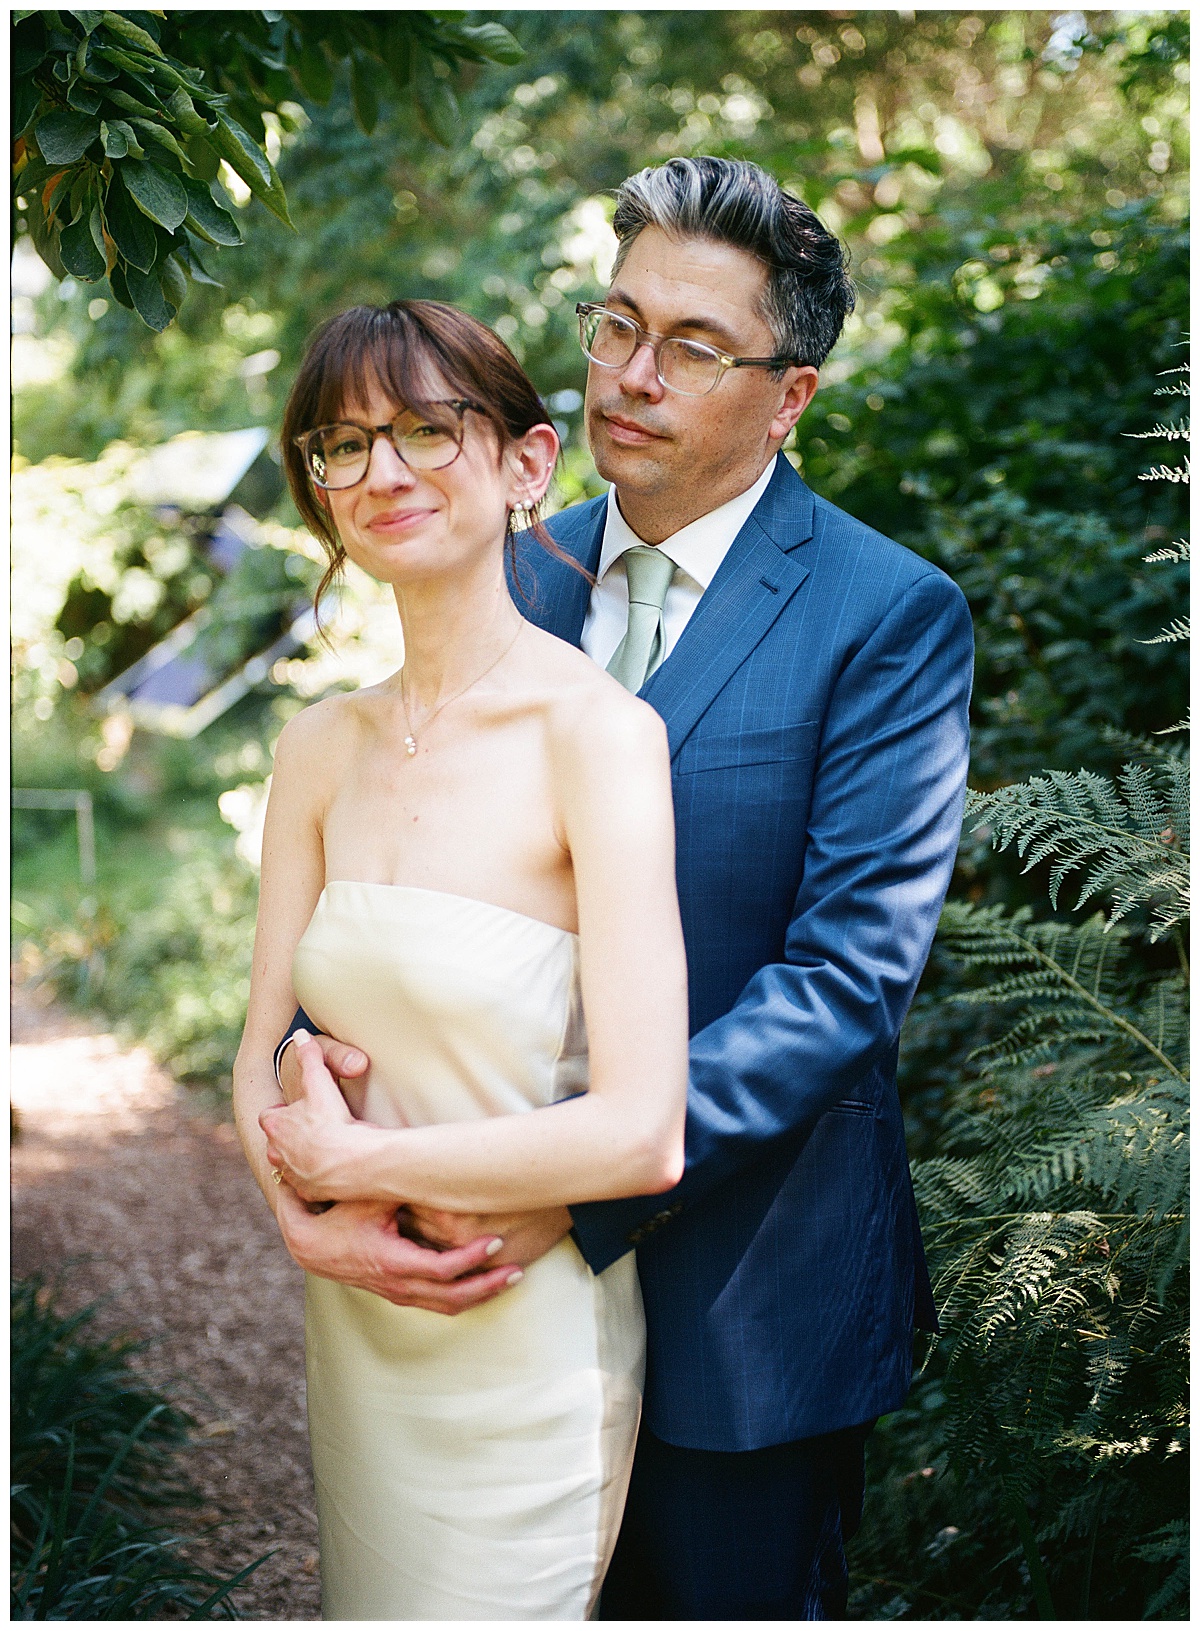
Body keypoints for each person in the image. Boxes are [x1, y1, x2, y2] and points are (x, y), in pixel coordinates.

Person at [276, 155, 974, 1620]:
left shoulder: (884, 615)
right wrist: (307, 1101)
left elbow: (845, 981)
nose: (632, 376)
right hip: (466, 1296)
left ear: (790, 395)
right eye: (616, 326)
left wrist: (576, 1190)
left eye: (696, 347)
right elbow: (387, 871)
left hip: (740, 1298)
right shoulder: (498, 566)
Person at [232, 298, 690, 1621]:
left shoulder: (595, 738)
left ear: (526, 463)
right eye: (341, 444)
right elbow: (262, 1037)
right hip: (361, 1327)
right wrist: (308, 1226)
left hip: (524, 1340)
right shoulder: (318, 747)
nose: (381, 474)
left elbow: (641, 1133)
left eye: (427, 431)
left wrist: (358, 1166)